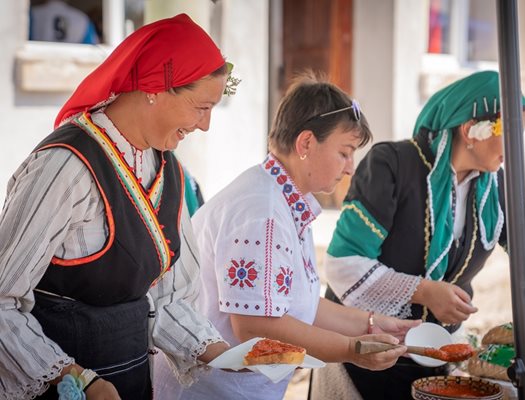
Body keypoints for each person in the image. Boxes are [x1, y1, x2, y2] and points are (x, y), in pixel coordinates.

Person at [318, 70, 525, 399]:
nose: (517, 146)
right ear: (471, 130)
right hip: (363, 353)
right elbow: (343, 263)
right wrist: (424, 292)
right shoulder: (393, 165)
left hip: (437, 354)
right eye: (509, 132)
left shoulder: (497, 188)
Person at [0, 14, 236, 399]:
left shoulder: (168, 169)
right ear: (155, 89)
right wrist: (76, 379)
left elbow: (168, 296)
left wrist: (224, 354)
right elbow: (3, 300)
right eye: (200, 107)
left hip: (128, 379)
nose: (205, 125)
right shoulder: (66, 166)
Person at [152, 74, 420, 400]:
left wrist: (374, 324)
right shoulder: (262, 210)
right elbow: (256, 330)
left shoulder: (282, 198)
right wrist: (352, 350)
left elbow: (300, 306)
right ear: (306, 143)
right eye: (345, 152)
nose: (350, 168)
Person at [30, 0, 100, 44]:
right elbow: (92, 49)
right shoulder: (82, 18)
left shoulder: (32, 14)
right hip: (72, 65)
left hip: (38, 64)